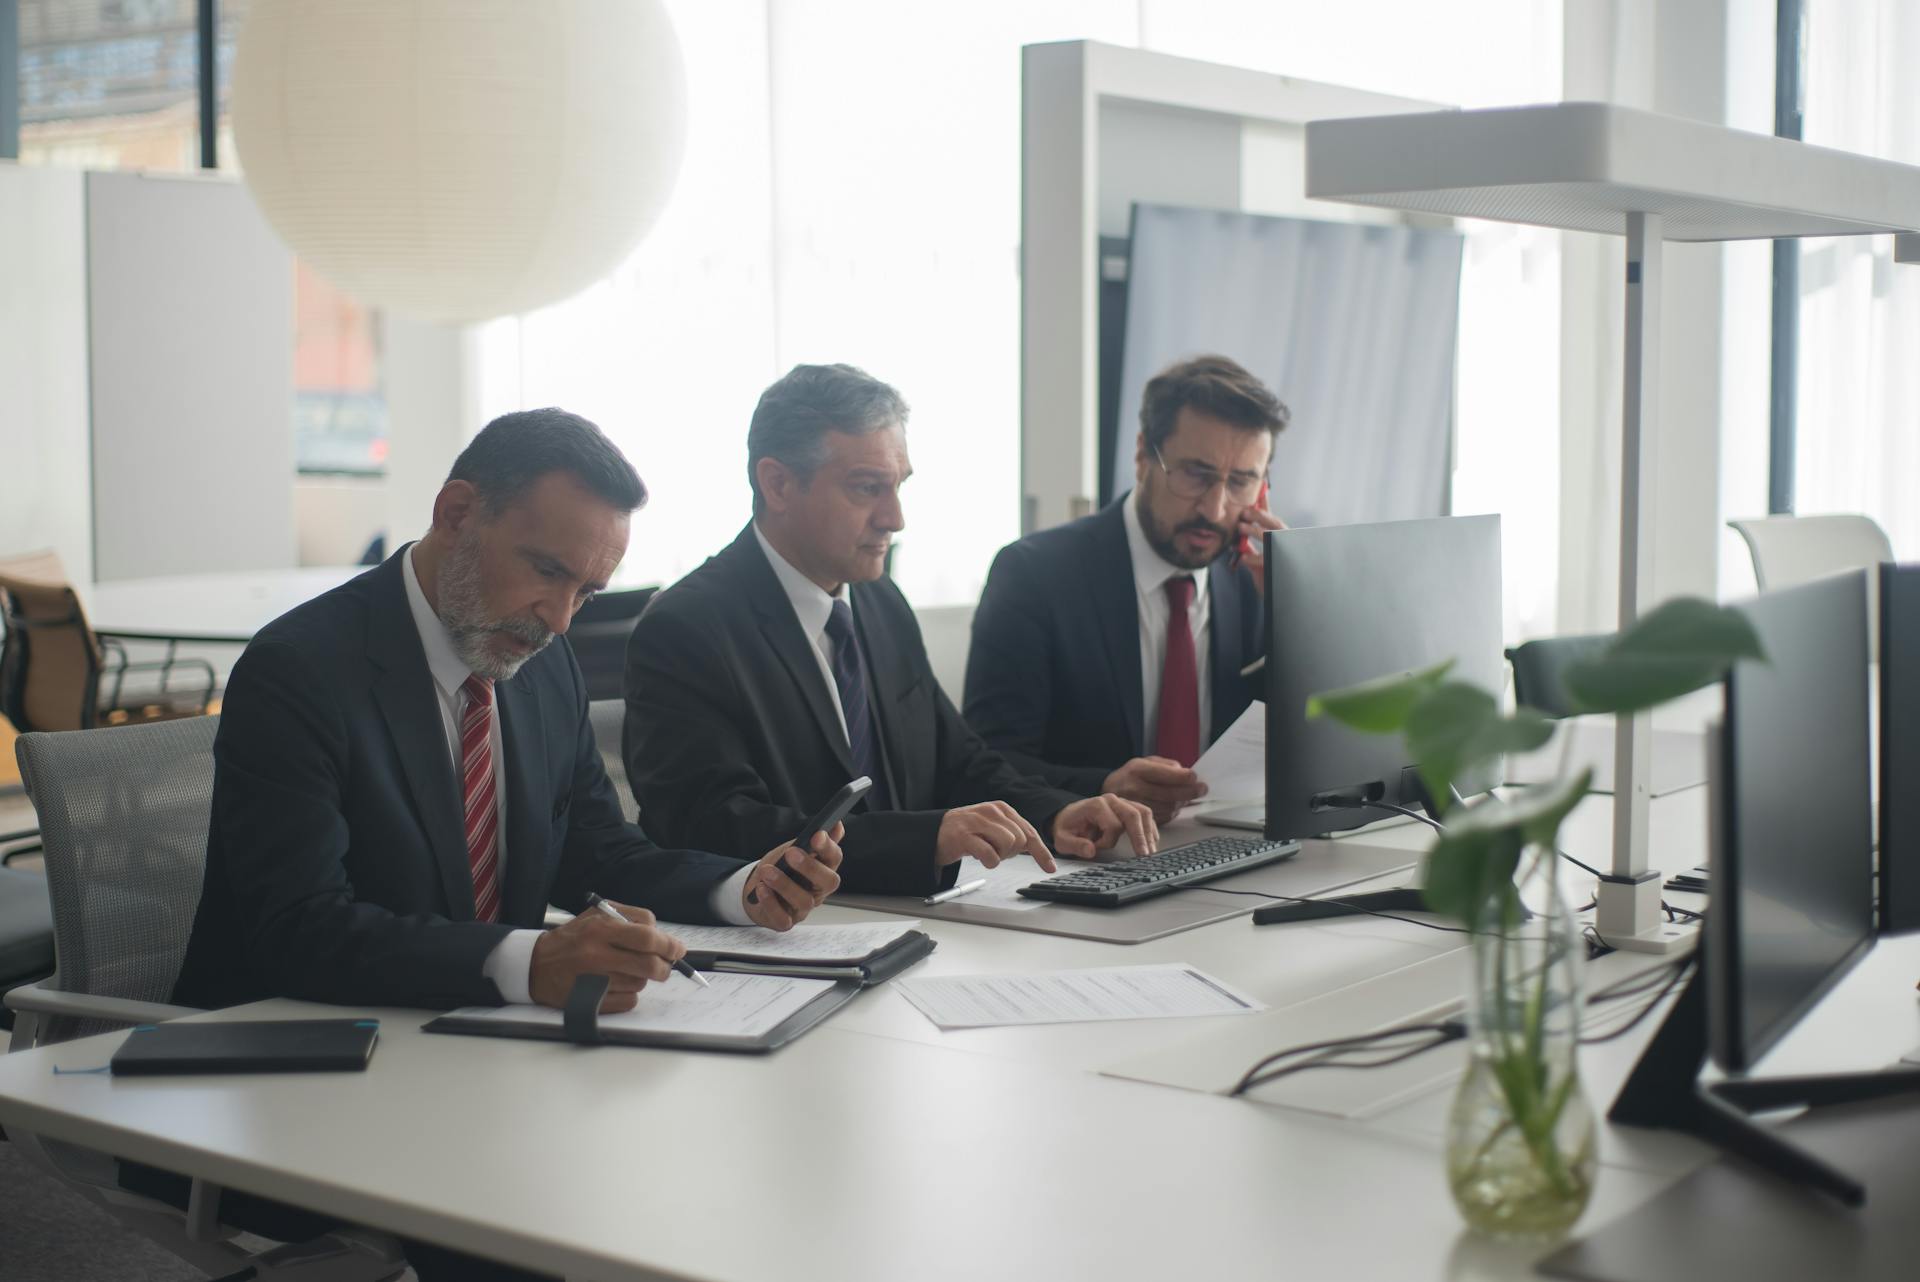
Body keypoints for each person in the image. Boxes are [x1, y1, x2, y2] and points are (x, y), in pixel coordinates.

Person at [158, 408, 842, 1282]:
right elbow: (300, 929)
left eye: (587, 593)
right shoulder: (302, 669)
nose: (559, 619)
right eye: (546, 571)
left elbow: (599, 848)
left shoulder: (539, 664)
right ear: (455, 514)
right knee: (579, 1238)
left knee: (708, 1186)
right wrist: (532, 961)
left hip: (477, 1065)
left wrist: (741, 887)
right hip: (307, 1080)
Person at [623, 363, 1158, 896]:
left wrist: (1056, 812)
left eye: (898, 486)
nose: (895, 517)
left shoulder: (879, 599)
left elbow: (959, 760)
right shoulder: (686, 629)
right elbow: (714, 826)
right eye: (866, 489)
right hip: (784, 939)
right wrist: (924, 838)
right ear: (778, 483)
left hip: (909, 918)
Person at [963, 355, 1289, 822]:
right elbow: (987, 764)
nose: (1215, 509)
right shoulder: (1034, 575)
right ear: (1142, 456)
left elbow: (1316, 749)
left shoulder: (1256, 581)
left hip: (1226, 847)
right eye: (1195, 475)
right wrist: (1102, 786)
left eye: (1240, 482)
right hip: (1088, 856)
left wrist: (1296, 609)